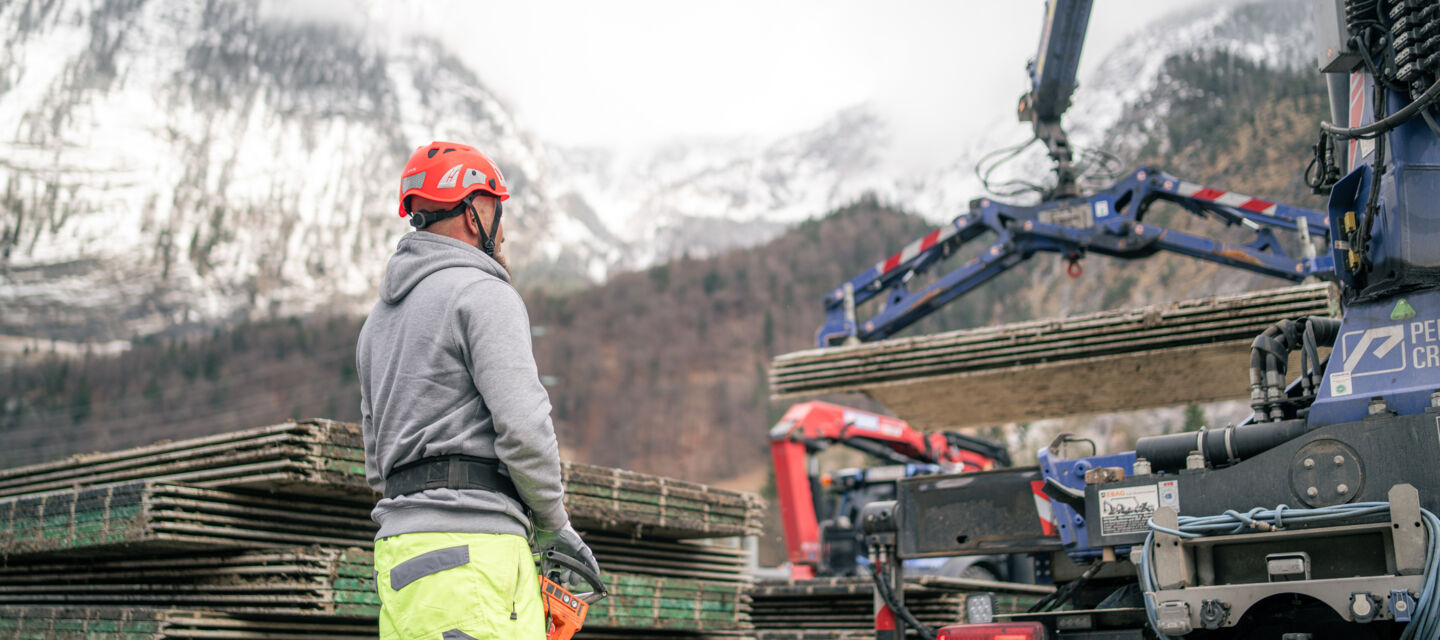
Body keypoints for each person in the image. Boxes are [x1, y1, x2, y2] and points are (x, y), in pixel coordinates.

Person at [356, 141, 599, 640]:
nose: (502, 231)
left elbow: (376, 459)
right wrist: (553, 523)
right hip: (474, 560)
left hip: (399, 564)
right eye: (496, 210)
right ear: (473, 213)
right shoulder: (483, 293)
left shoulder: (376, 324)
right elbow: (525, 429)